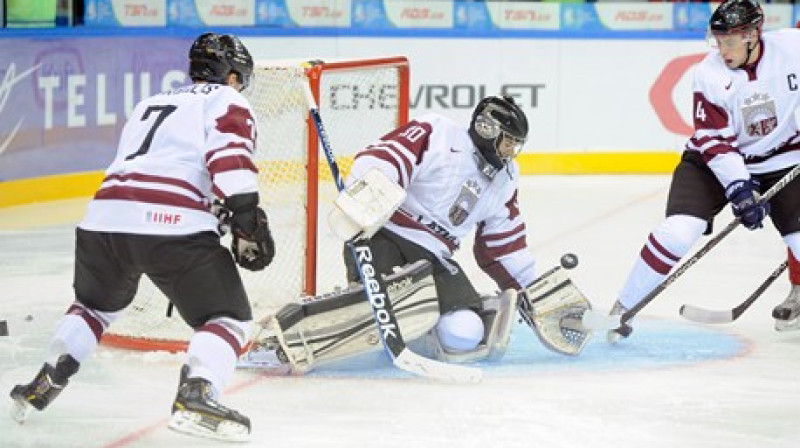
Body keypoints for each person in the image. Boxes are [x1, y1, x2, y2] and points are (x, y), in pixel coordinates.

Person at [8, 32, 275, 442]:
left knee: (94, 307)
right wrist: (244, 219)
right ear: (233, 75)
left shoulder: (150, 102)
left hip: (103, 220)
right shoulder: (227, 100)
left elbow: (154, 166)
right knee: (229, 318)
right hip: (170, 226)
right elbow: (230, 161)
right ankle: (198, 393)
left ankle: (46, 379)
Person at [242, 95, 593, 373]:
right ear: (486, 129)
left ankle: (417, 326)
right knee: (364, 312)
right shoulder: (439, 133)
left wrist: (534, 290)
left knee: (465, 334)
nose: (511, 152)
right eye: (507, 143)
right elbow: (382, 158)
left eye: (516, 145)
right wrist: (370, 194)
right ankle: (278, 337)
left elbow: (503, 246)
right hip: (383, 237)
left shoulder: (506, 178)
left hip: (435, 257)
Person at [607, 0, 800, 343]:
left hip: (782, 161)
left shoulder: (792, 48)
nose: (722, 49)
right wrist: (740, 188)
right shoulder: (709, 74)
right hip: (711, 163)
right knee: (680, 230)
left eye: (730, 41)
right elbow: (714, 140)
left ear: (754, 34)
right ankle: (622, 308)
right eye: (718, 40)